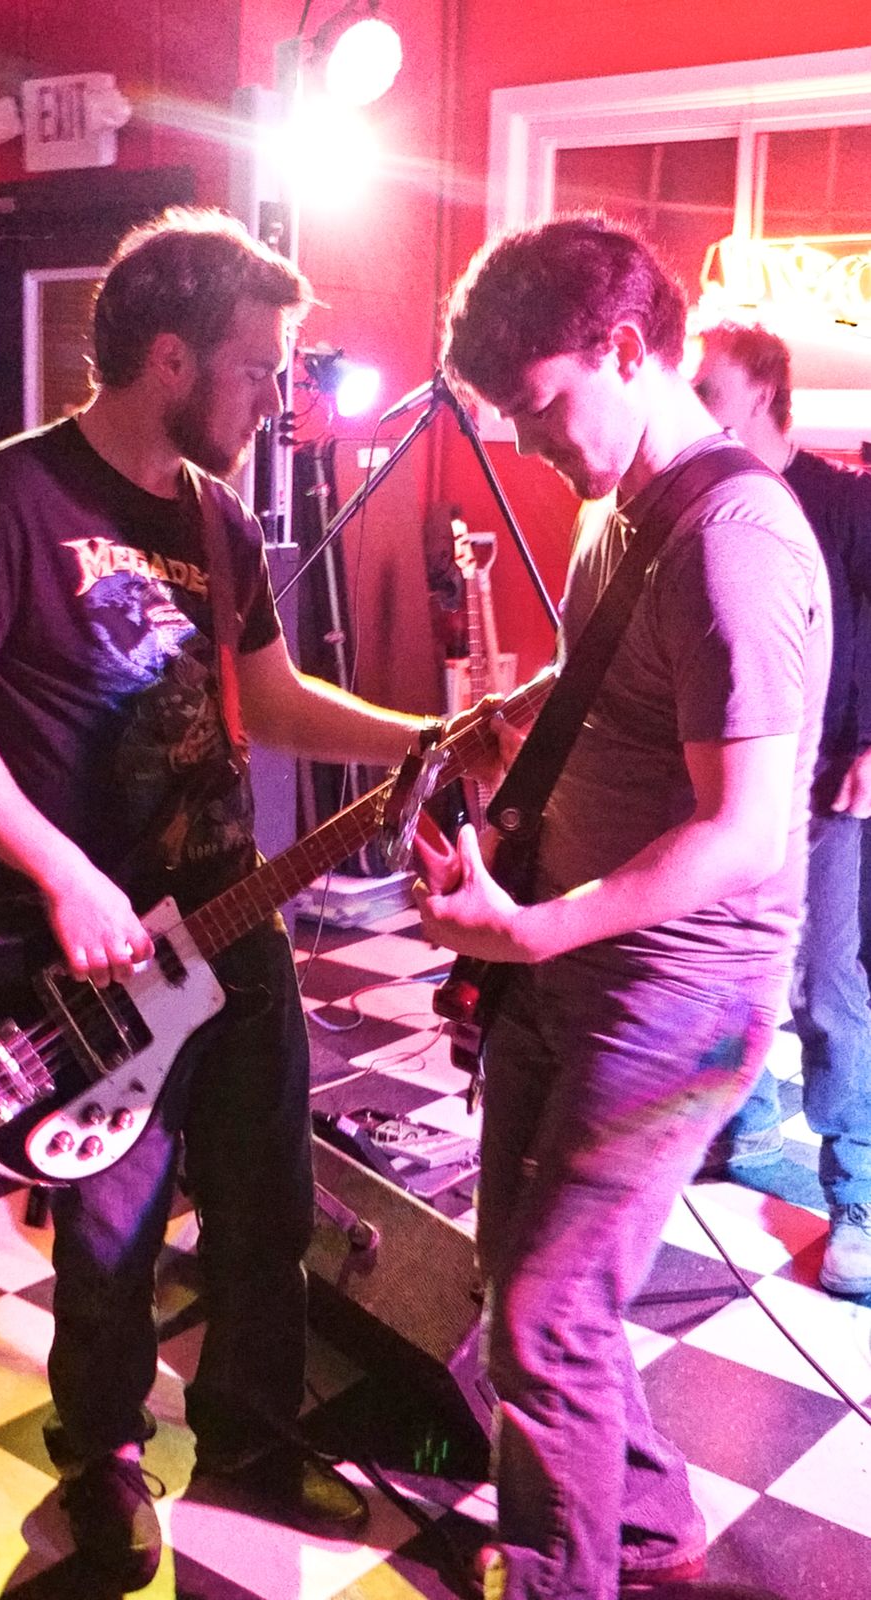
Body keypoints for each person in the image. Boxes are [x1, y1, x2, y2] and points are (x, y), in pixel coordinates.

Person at [0, 207, 489, 1593]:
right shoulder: (13, 497)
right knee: (111, 1234)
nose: (275, 398)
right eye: (257, 368)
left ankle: (251, 1440)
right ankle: (100, 1460)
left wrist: (423, 740)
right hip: (89, 961)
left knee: (268, 1211)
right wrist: (63, 873)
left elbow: (271, 698)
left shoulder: (219, 518)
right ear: (170, 357)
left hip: (235, 924)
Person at [413, 218, 830, 1600]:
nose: (528, 440)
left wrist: (532, 929)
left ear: (625, 347)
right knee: (524, 1290)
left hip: (676, 995)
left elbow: (743, 830)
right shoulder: (622, 512)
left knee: (543, 1318)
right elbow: (619, 686)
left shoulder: (734, 542)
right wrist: (518, 724)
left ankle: (562, 1575)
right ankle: (642, 1516)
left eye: (540, 405)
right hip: (576, 965)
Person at [693, 321, 871, 1296]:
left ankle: (858, 1198)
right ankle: (746, 1122)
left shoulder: (841, 502)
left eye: (706, 387)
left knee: (827, 989)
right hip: (729, 784)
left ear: (760, 392)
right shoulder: (706, 500)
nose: (689, 401)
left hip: (825, 779)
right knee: (729, 964)